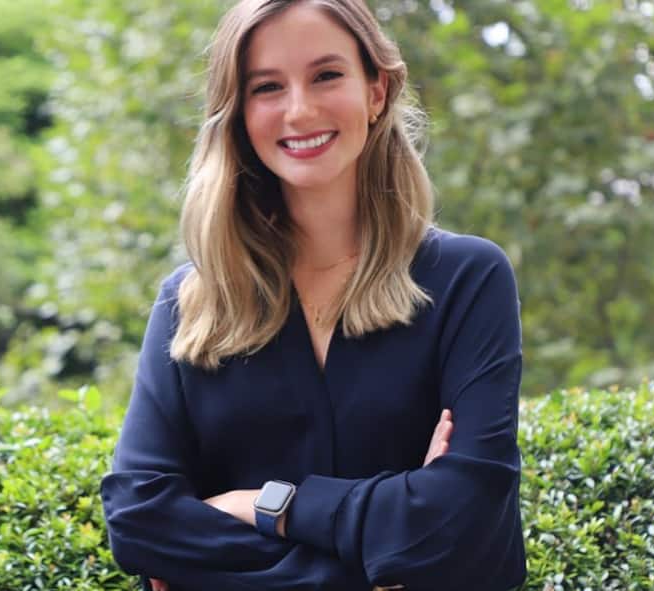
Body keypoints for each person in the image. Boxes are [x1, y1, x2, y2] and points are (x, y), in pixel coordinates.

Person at [99, 0, 527, 589]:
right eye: (267, 87)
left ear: (376, 91)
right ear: (239, 114)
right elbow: (139, 522)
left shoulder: (467, 280)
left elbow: (467, 523)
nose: (299, 111)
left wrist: (259, 505)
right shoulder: (190, 303)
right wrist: (386, 551)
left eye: (326, 75)